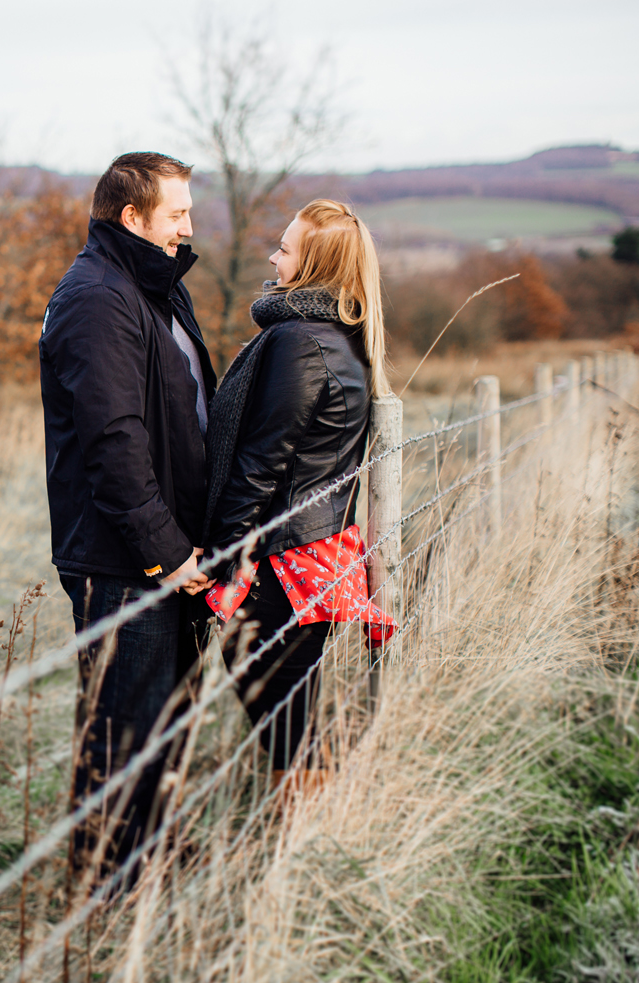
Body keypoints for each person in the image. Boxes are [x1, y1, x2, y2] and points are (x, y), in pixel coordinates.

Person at [39, 152, 216, 885]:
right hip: (124, 560)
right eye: (177, 214)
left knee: (164, 722)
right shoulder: (96, 298)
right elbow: (113, 441)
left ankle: (155, 855)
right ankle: (110, 889)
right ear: (132, 217)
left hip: (169, 549)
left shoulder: (153, 289)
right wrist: (166, 553)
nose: (188, 226)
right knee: (121, 730)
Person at [197, 198, 396, 797]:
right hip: (311, 556)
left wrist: (220, 559)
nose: (271, 256)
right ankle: (311, 822)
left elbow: (262, 462)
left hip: (281, 564)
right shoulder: (338, 335)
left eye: (284, 249)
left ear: (314, 266)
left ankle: (304, 840)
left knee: (284, 724)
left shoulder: (300, 341)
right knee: (291, 716)